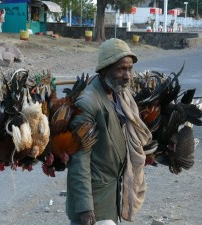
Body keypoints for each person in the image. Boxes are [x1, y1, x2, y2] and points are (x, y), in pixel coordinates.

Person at [66, 38, 153, 225]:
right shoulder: (88, 103)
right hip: (94, 199)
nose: (127, 75)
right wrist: (85, 207)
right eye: (121, 69)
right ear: (104, 69)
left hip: (111, 194)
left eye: (130, 69)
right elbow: (79, 159)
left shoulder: (119, 95)